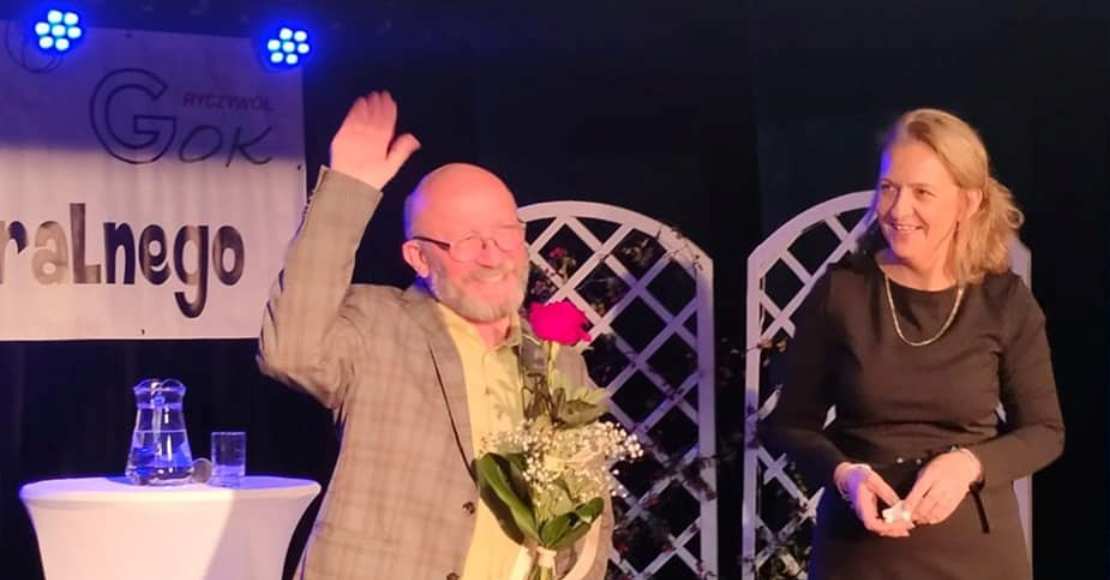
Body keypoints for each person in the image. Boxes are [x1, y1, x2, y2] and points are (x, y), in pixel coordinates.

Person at [258, 91, 612, 579]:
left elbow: (590, 514)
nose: (493, 255)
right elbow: (290, 352)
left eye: (506, 233)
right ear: (419, 258)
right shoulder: (377, 325)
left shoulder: (557, 360)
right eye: (466, 241)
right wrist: (346, 192)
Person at [760, 108, 1064, 580]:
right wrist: (845, 475)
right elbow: (790, 425)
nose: (899, 210)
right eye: (889, 188)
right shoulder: (843, 292)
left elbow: (1044, 431)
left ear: (967, 202)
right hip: (860, 548)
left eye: (922, 192)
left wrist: (971, 464)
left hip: (975, 551)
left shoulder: (1003, 302)